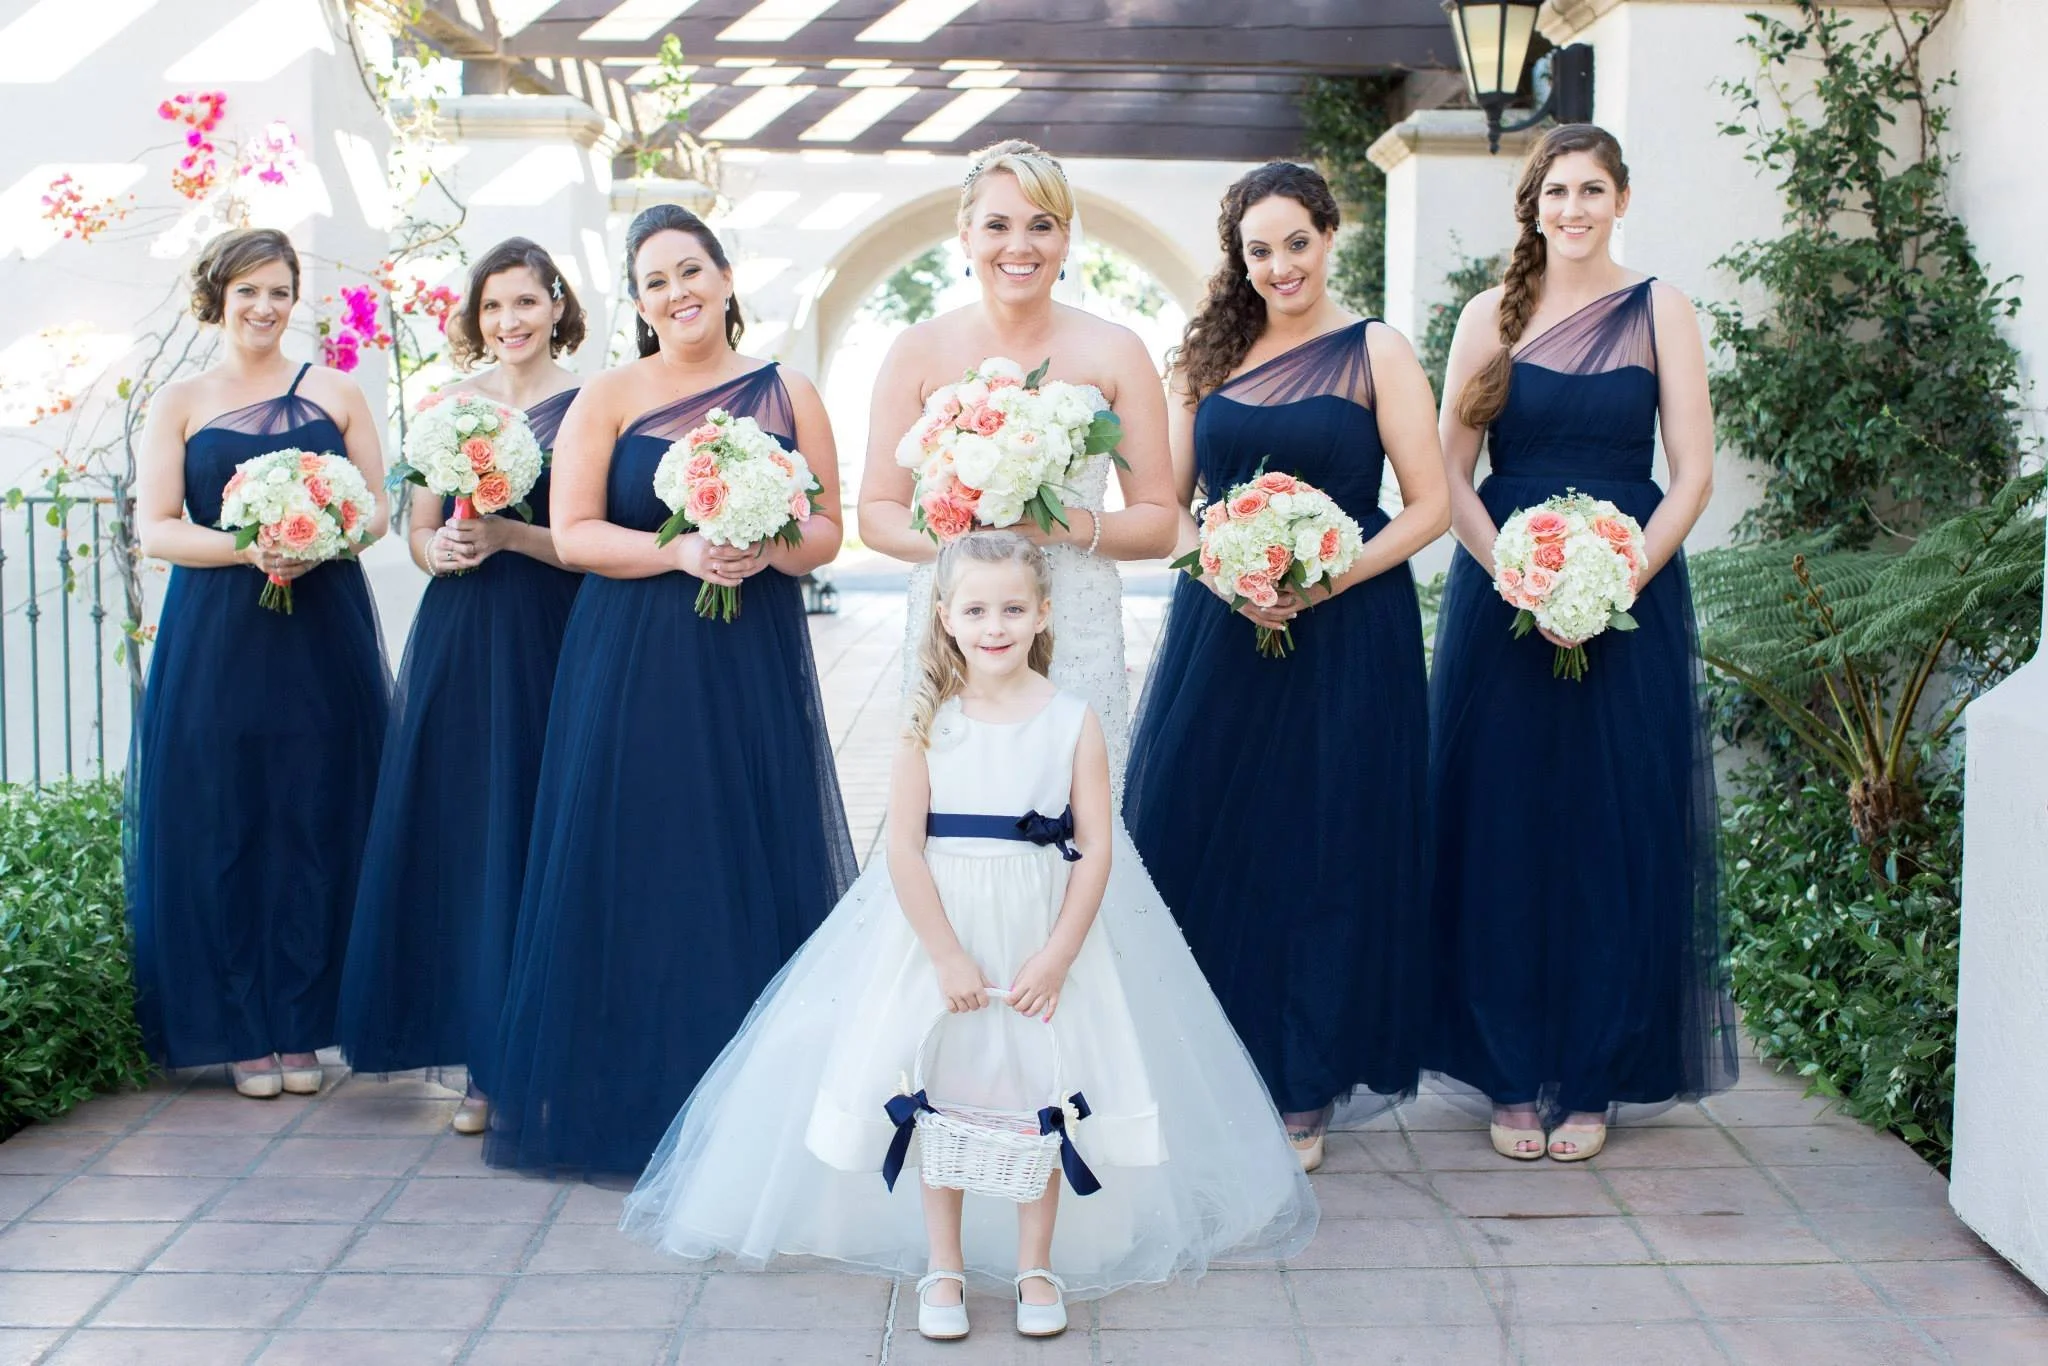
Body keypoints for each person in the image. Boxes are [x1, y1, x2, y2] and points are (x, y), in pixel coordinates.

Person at [621, 532, 1316, 1340]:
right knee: (939, 1095)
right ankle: (943, 1267)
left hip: (1040, 932)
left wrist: (1057, 957)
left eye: (1014, 609)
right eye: (977, 609)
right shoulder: (928, 719)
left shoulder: (1070, 720)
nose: (996, 625)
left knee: (1041, 1097)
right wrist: (945, 954)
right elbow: (903, 850)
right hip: (940, 932)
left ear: (1043, 615)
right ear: (945, 617)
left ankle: (1035, 1265)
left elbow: (1096, 850)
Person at [483, 204, 856, 1176]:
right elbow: (571, 533)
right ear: (639, 304)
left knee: (740, 851)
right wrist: (681, 544)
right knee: (639, 856)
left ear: (726, 278)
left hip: (749, 661)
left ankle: (748, 1101)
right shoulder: (605, 396)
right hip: (635, 656)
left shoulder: (789, 393)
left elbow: (824, 534)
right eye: (655, 282)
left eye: (691, 271)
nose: (677, 293)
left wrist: (761, 539)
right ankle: (630, 1094)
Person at [1122, 162, 1450, 1171]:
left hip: (1347, 630)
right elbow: (1165, 505)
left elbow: (1429, 503)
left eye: (1294, 244)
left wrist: (1326, 575)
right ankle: (1203, 1062)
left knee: (1326, 841)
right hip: (1222, 626)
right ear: (1238, 258)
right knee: (1199, 825)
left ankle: (1301, 1084)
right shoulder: (1206, 355)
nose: (1278, 267)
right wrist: (1224, 568)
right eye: (1257, 251)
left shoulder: (1376, 352)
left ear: (1326, 235)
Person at [1427, 124, 1737, 1162]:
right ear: (1532, 203)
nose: (1572, 207)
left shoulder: (1662, 311)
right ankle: (1510, 1072)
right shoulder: (1488, 314)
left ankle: (1594, 1071)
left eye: (1590, 189)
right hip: (1501, 605)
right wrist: (1514, 571)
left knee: (1611, 824)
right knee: (1504, 826)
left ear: (1621, 197)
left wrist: (1614, 578)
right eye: (1554, 190)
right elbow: (1446, 477)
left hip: (1628, 600)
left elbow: (1690, 472)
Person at [127, 227, 390, 1098]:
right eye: (248, 291)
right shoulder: (181, 402)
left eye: (279, 290)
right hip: (217, 633)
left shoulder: (338, 392)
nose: (265, 307)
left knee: (318, 812)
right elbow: (157, 525)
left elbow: (379, 511)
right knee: (227, 818)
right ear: (218, 297)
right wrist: (251, 547)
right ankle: (243, 1028)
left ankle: (306, 1025)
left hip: (322, 628)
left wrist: (319, 536)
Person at [336, 238, 586, 1134]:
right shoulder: (450, 410)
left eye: (525, 302)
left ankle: (552, 1050)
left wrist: (515, 539)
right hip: (463, 636)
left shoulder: (594, 407)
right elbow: (417, 532)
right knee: (476, 833)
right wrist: (436, 549)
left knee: (547, 829)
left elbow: (590, 540)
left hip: (557, 633)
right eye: (492, 308)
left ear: (557, 304)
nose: (509, 322)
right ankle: (484, 1062)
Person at [857, 139, 1175, 778]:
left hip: (1076, 628)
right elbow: (876, 512)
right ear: (966, 235)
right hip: (956, 633)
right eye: (998, 225)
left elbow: (1159, 522)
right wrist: (964, 538)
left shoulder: (1117, 351)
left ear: (1064, 238)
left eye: (1041, 226)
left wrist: (1063, 526)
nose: (1019, 246)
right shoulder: (917, 350)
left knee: (1075, 818)